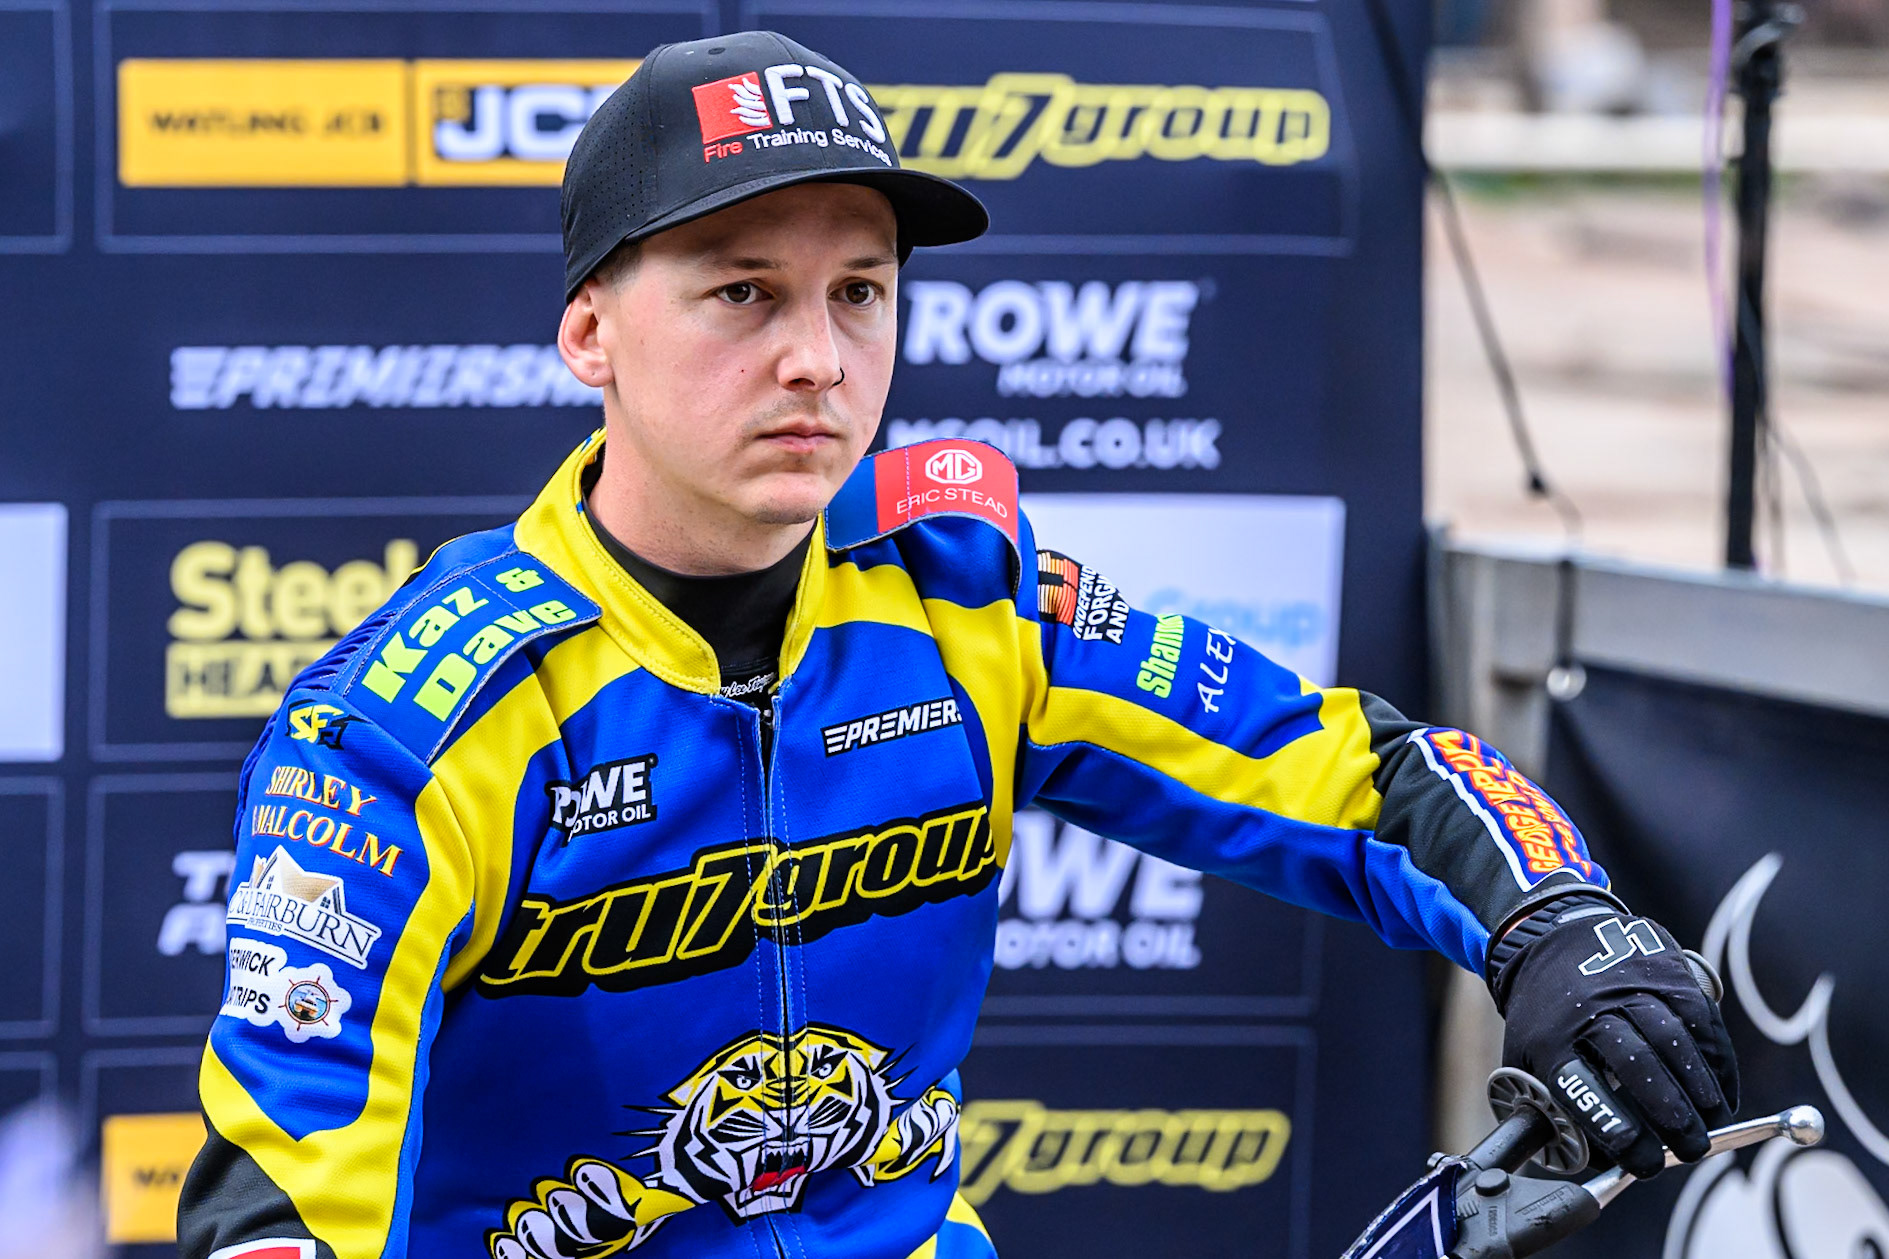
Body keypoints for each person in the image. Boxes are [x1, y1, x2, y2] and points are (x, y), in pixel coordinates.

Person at [177, 30, 1738, 1259]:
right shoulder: (409, 728)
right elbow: (278, 1202)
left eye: (861, 293)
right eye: (742, 294)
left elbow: (1361, 771)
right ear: (591, 331)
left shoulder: (969, 605)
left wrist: (1560, 924)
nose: (817, 358)